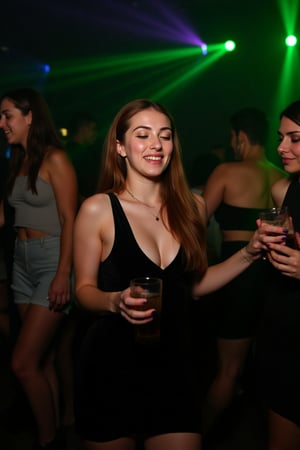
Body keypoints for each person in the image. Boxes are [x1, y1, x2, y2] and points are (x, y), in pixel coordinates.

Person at [72, 99, 284, 450]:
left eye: (165, 135)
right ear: (120, 147)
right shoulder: (98, 208)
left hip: (174, 367)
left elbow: (193, 286)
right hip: (111, 368)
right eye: (143, 135)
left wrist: (250, 252)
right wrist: (114, 300)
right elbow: (83, 290)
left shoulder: (193, 207)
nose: (156, 144)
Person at [0, 87, 77, 450]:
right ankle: (55, 431)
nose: (1, 123)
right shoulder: (18, 160)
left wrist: (64, 273)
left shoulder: (55, 158)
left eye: (7, 115)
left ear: (30, 116)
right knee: (42, 361)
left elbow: (70, 217)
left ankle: (49, 441)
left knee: (22, 363)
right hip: (21, 260)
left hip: (51, 260)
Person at [201, 107, 285, 432]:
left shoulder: (225, 171)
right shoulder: (281, 176)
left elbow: (197, 224)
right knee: (267, 364)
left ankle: (198, 435)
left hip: (236, 273)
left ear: (239, 137)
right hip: (276, 273)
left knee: (228, 369)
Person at [255, 100, 300, 450]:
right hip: (285, 331)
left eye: (294, 138)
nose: (281, 148)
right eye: (280, 137)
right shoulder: (282, 190)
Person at [65, 111, 99, 202]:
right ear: (83, 129)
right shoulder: (66, 155)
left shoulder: (88, 152)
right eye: (93, 129)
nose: (95, 133)